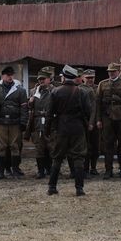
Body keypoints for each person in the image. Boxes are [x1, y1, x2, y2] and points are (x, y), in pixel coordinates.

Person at [45, 65, 92, 196]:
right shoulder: (82, 92)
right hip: (77, 127)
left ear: (64, 77)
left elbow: (49, 114)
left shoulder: (55, 92)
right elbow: (88, 111)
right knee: (78, 157)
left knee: (57, 157)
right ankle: (79, 188)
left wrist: (47, 130)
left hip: (61, 127)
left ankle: (52, 187)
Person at [93, 62, 121, 181]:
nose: (111, 73)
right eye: (109, 72)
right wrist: (98, 119)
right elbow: (98, 104)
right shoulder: (102, 84)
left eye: (113, 71)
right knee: (108, 145)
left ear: (118, 72)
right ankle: (108, 170)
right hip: (107, 118)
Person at [0, 66, 28, 178]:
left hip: (15, 122)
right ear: (2, 76)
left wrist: (23, 122)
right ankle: (1, 172)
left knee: (15, 147)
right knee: (1, 147)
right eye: (8, 75)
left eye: (11, 75)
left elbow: (24, 108)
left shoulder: (21, 91)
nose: (10, 77)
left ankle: (15, 170)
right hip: (1, 122)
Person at [26, 70, 54, 179]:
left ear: (49, 79)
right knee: (39, 147)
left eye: (43, 79)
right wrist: (30, 102)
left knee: (51, 146)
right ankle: (40, 171)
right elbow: (29, 107)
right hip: (37, 122)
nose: (41, 81)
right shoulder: (34, 91)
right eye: (39, 79)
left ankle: (50, 169)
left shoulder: (54, 91)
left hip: (50, 121)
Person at [80, 70, 100, 176]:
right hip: (84, 121)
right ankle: (85, 168)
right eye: (88, 77)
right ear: (83, 78)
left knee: (96, 145)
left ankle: (94, 167)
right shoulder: (79, 89)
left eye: (92, 77)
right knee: (85, 146)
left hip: (98, 121)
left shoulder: (99, 88)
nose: (90, 80)